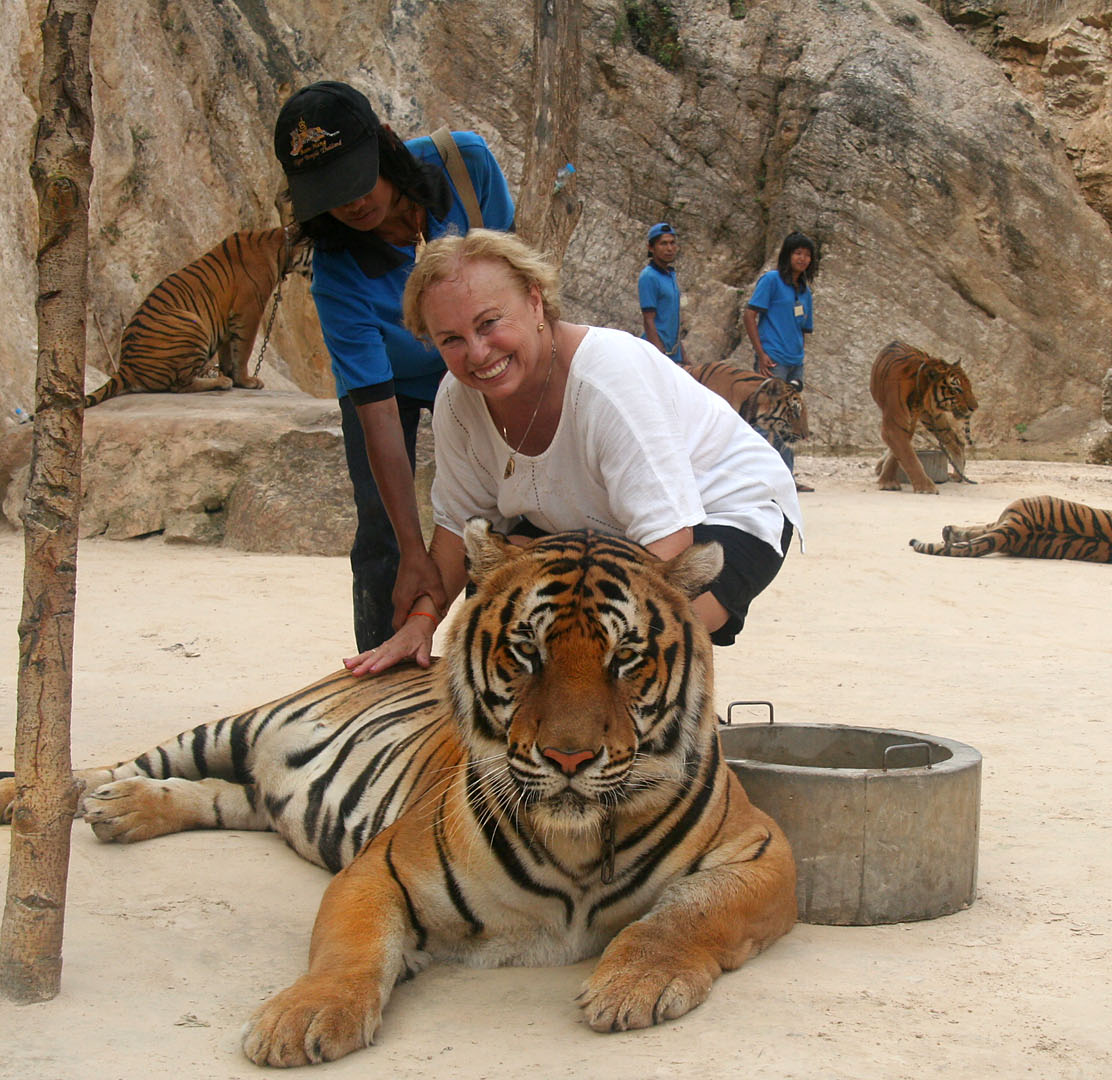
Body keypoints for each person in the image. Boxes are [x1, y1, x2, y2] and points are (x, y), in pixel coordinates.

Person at [344, 229, 803, 675]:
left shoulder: (607, 381)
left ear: (535, 299)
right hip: (591, 521)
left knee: (625, 647)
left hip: (722, 511)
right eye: (451, 340)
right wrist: (419, 625)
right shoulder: (456, 400)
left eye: (489, 323)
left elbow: (669, 545)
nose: (479, 353)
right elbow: (456, 532)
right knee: (499, 601)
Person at [273, 81, 514, 654]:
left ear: (383, 146)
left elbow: (509, 284)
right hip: (395, 383)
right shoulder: (336, 273)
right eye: (331, 193)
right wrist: (413, 551)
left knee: (509, 508)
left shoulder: (465, 167)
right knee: (382, 530)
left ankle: (498, 661)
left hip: (479, 360)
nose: (352, 203)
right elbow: (377, 410)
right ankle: (386, 672)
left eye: (357, 179)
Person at [743, 231, 818, 491]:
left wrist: (800, 357)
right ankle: (761, 478)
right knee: (765, 419)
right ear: (788, 255)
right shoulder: (772, 281)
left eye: (807, 254)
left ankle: (786, 477)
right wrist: (761, 353)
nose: (803, 258)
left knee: (791, 420)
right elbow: (750, 314)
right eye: (798, 253)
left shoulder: (804, 290)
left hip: (795, 362)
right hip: (774, 361)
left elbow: (803, 328)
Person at [638, 222, 683, 365]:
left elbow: (671, 319)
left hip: (673, 352)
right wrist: (659, 355)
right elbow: (648, 319)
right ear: (651, 248)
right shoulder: (649, 276)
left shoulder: (670, 275)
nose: (669, 248)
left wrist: (682, 354)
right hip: (657, 352)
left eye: (672, 243)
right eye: (663, 244)